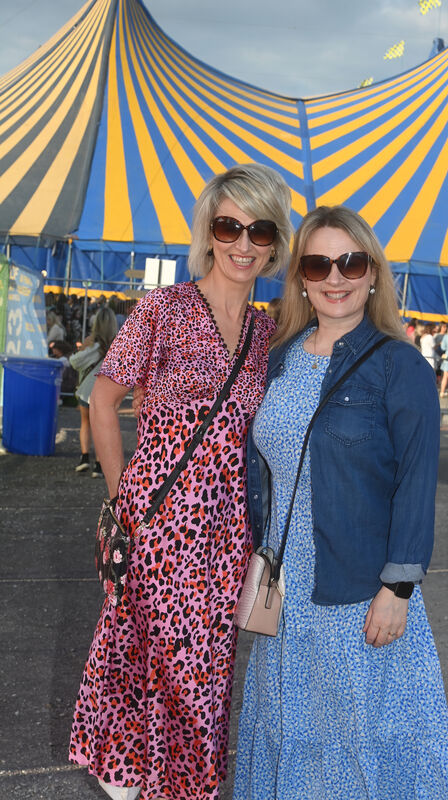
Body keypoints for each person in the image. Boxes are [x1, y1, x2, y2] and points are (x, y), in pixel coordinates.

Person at [69, 164, 292, 800]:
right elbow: (102, 400)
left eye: (260, 229)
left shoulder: (266, 331)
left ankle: (151, 774)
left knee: (207, 667)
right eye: (230, 226)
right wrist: (123, 501)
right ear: (209, 231)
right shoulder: (165, 308)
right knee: (164, 659)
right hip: (160, 520)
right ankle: (160, 778)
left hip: (227, 534)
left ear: (275, 242)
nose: (243, 244)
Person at [233, 206, 448, 800]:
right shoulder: (279, 358)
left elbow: (415, 483)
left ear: (371, 273)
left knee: (359, 746)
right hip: (288, 598)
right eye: (318, 264)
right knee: (291, 735)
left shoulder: (398, 365)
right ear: (301, 277)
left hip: (357, 593)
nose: (335, 278)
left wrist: (399, 588)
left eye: (350, 262)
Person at [69, 306, 118, 476]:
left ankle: (84, 458)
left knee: (85, 424)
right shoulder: (118, 346)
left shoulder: (92, 344)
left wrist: (82, 348)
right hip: (107, 394)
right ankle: (99, 464)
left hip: (86, 391)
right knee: (102, 428)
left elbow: (74, 362)